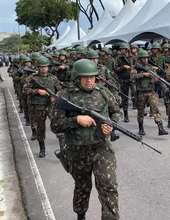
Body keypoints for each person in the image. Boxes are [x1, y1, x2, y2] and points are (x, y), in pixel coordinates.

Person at [51, 59, 121, 220]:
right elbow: (55, 126)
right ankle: (81, 214)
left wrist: (111, 125)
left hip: (101, 148)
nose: (89, 80)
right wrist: (76, 120)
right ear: (77, 77)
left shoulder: (103, 92)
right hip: (77, 151)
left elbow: (115, 112)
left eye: (92, 77)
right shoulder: (65, 96)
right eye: (85, 77)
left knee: (109, 187)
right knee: (83, 187)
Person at [23, 57, 63, 158]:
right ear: (38, 68)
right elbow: (25, 90)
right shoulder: (32, 78)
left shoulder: (53, 78)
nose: (44, 69)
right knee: (40, 128)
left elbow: (60, 90)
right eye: (42, 67)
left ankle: (63, 149)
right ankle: (42, 149)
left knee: (58, 125)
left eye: (45, 67)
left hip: (51, 106)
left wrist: (55, 96)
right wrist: (37, 91)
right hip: (38, 106)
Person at [130, 50, 169, 136]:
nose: (145, 60)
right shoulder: (135, 68)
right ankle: (141, 128)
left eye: (146, 58)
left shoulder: (150, 67)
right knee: (140, 111)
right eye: (143, 58)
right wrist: (143, 74)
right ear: (140, 59)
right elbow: (132, 77)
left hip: (151, 92)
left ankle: (160, 127)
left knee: (155, 109)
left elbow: (154, 78)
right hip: (141, 93)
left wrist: (156, 79)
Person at [115, 43, 137, 122]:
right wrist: (123, 67)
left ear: (127, 49)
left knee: (135, 92)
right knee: (124, 97)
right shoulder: (119, 58)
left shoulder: (133, 57)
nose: (121, 50)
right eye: (121, 49)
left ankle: (136, 105)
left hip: (131, 79)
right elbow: (116, 69)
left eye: (123, 49)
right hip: (123, 80)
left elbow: (136, 66)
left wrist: (133, 69)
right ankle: (126, 115)